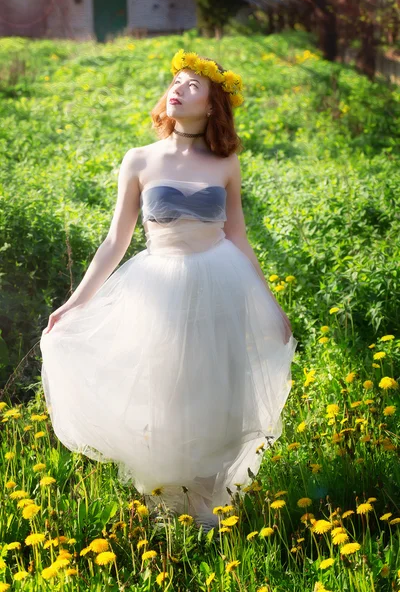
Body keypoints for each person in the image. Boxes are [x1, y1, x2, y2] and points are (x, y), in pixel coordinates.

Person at [40, 49, 298, 533]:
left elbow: (238, 235)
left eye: (192, 85)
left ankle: (207, 502)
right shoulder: (139, 159)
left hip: (221, 283)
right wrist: (75, 302)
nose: (177, 89)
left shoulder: (226, 163)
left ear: (212, 105)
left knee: (215, 391)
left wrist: (270, 302)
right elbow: (116, 241)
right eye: (174, 82)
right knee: (167, 392)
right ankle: (169, 501)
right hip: (159, 286)